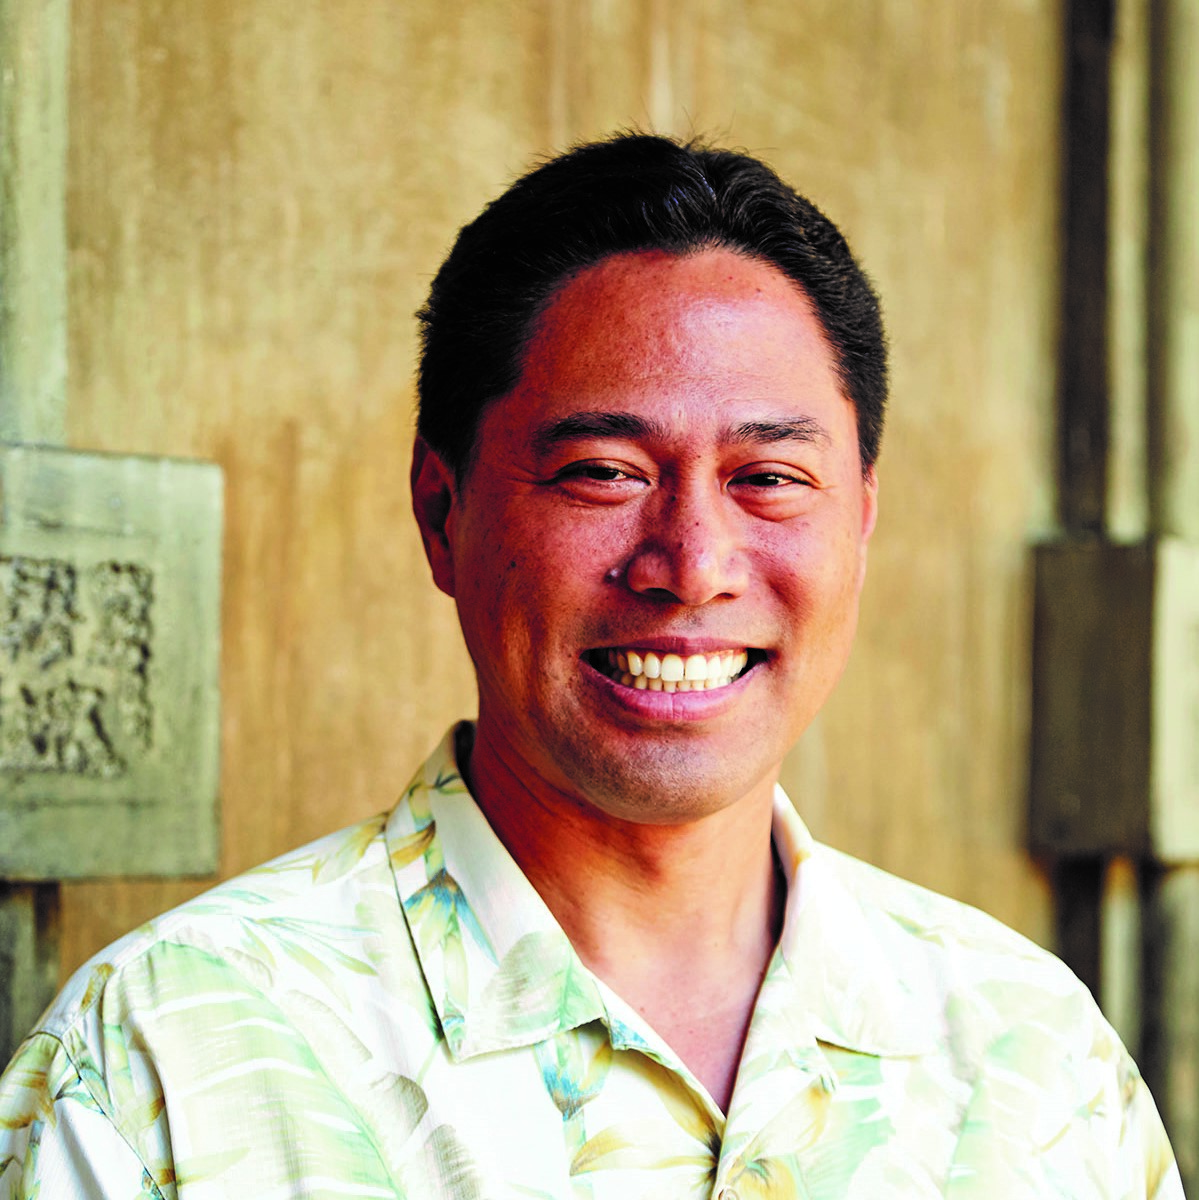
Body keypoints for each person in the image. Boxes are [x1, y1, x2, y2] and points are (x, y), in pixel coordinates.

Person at [0, 134, 1182, 1199]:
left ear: (859, 522)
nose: (692, 564)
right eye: (604, 472)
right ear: (439, 509)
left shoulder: (1030, 1060)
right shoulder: (164, 1059)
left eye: (767, 479)